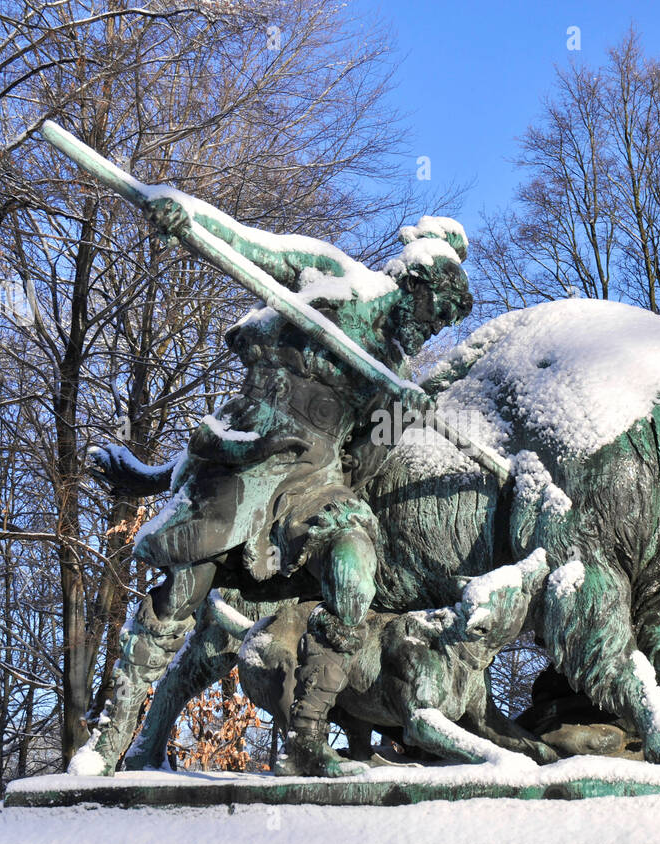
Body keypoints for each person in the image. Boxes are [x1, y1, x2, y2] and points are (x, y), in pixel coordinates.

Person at [71, 198, 473, 778]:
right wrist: (184, 220)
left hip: (317, 486)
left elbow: (358, 466)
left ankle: (306, 737)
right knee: (183, 595)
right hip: (250, 458)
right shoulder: (333, 277)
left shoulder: (395, 371)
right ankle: (108, 742)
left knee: (354, 570)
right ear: (415, 283)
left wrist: (395, 415)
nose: (434, 328)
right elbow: (246, 243)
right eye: (437, 313)